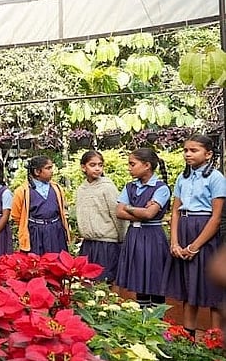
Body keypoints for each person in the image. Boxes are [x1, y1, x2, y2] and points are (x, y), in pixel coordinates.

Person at [161, 135, 226, 334]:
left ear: (208, 154)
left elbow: (216, 217)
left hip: (204, 233)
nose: (188, 154)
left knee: (212, 288)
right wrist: (175, 242)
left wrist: (194, 247)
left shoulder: (216, 178)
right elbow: (175, 211)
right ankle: (187, 336)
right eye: (185, 150)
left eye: (193, 150)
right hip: (184, 229)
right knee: (188, 286)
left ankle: (214, 339)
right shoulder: (183, 178)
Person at [115, 148, 170, 309]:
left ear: (147, 165)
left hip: (153, 237)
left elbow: (149, 214)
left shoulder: (161, 188)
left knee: (154, 276)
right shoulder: (130, 186)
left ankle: (157, 317)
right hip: (135, 235)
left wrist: (129, 208)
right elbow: (119, 212)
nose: (129, 168)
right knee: (139, 277)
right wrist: (140, 211)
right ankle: (142, 316)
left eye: (132, 164)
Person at [75, 151, 126, 282]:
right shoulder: (81, 189)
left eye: (100, 165)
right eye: (92, 165)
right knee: (86, 281)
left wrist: (122, 238)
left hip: (106, 243)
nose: (97, 168)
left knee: (105, 281)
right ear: (83, 167)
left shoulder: (107, 187)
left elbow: (117, 214)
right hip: (88, 243)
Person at [10, 156, 70, 255]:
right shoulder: (22, 191)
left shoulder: (57, 188)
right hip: (35, 233)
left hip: (56, 230)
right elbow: (16, 216)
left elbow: (62, 208)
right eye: (48, 168)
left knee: (58, 260)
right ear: (37, 171)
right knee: (37, 261)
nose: (52, 171)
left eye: (51, 168)